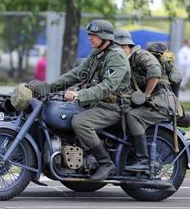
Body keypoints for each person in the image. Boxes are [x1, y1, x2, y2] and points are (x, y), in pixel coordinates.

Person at [48, 20, 131, 181]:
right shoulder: (97, 53)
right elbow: (77, 74)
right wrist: (48, 87)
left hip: (113, 107)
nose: (90, 38)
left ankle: (105, 163)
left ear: (105, 37)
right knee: (65, 112)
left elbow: (107, 87)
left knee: (80, 122)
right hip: (97, 104)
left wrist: (79, 95)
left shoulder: (117, 57)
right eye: (90, 35)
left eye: (94, 35)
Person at [114, 30, 172, 173]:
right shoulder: (127, 61)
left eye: (115, 48)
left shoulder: (141, 56)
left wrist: (145, 95)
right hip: (153, 101)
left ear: (125, 46)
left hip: (161, 102)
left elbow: (154, 74)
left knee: (133, 116)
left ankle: (143, 160)